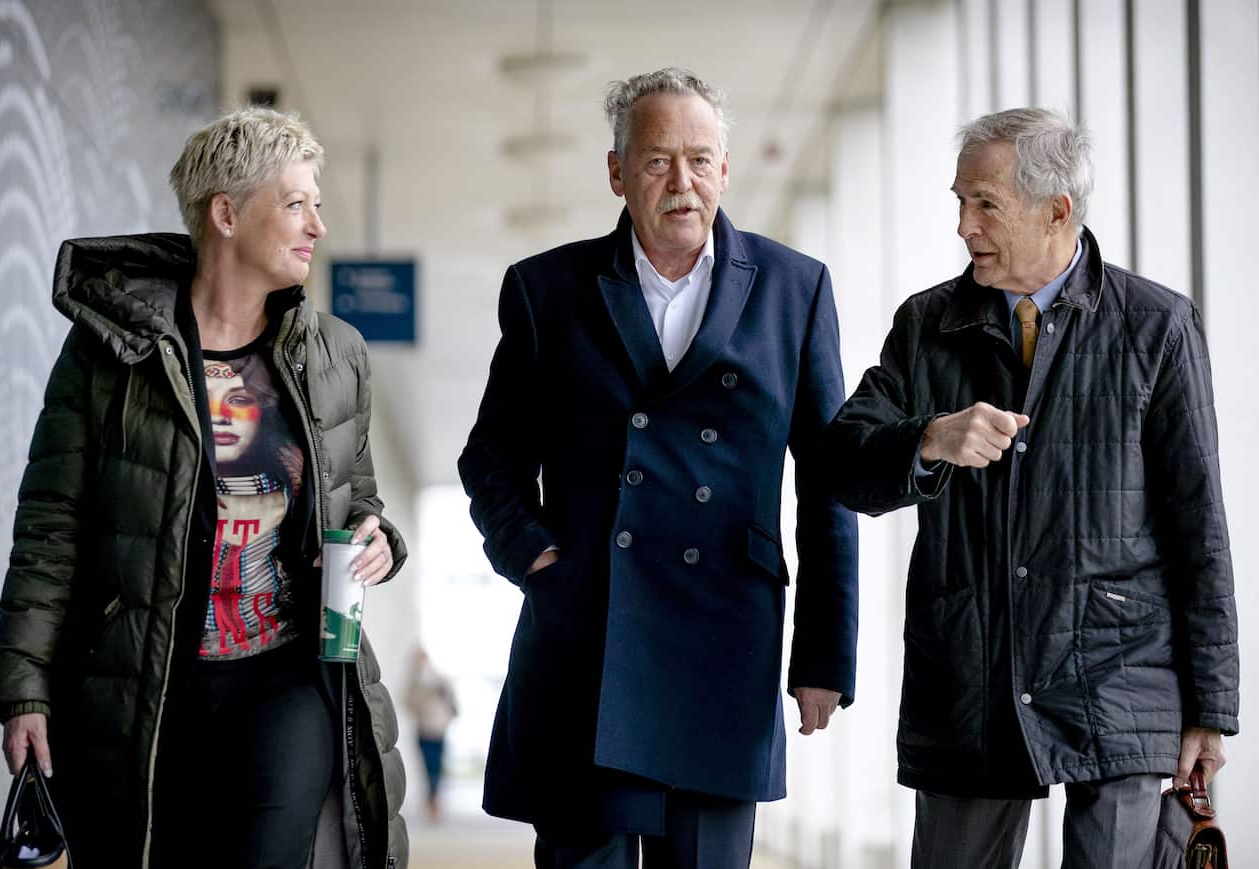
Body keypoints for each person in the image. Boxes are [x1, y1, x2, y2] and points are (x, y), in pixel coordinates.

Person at [0, 107, 410, 868]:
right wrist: (24, 688)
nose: (317, 223)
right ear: (225, 213)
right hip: (144, 685)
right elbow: (51, 524)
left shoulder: (336, 352)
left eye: (318, 203)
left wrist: (380, 538)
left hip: (287, 672)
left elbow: (361, 497)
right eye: (296, 203)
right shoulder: (107, 352)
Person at [458, 67, 858, 868]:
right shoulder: (546, 290)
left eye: (701, 159)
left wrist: (822, 657)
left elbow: (830, 483)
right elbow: (491, 458)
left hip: (724, 647)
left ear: (726, 169)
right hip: (585, 643)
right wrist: (536, 558)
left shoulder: (795, 288)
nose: (683, 181)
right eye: (656, 161)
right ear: (616, 173)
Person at [825, 108, 1239, 869]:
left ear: (1058, 211)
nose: (962, 225)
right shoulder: (927, 325)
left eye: (985, 204)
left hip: (1120, 675)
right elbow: (842, 463)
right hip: (967, 671)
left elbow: (1199, 528)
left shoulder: (1157, 327)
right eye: (959, 202)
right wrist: (930, 439)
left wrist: (1210, 708)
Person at [407, 647, 458, 822]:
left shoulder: (440, 680)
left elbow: (453, 704)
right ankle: (431, 802)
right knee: (427, 768)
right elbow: (408, 703)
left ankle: (435, 802)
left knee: (436, 767)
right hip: (423, 730)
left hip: (439, 730)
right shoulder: (415, 683)